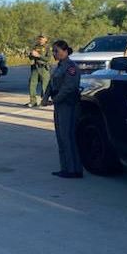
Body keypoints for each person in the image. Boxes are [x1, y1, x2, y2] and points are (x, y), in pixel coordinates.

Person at [43, 40, 83, 179]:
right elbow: (51, 82)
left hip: (68, 104)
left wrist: (55, 99)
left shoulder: (71, 67)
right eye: (53, 51)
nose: (54, 54)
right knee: (61, 137)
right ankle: (65, 168)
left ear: (65, 51)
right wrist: (45, 97)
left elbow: (68, 87)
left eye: (57, 51)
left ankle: (73, 169)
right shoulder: (59, 66)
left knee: (68, 137)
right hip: (59, 104)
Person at [27, 35, 51, 107]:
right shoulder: (35, 47)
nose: (40, 39)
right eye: (39, 38)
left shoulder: (48, 48)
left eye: (42, 38)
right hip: (35, 67)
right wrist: (30, 54)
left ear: (46, 39)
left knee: (44, 86)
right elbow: (31, 57)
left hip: (44, 68)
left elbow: (48, 59)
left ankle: (44, 101)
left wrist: (39, 56)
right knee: (32, 84)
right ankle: (33, 101)